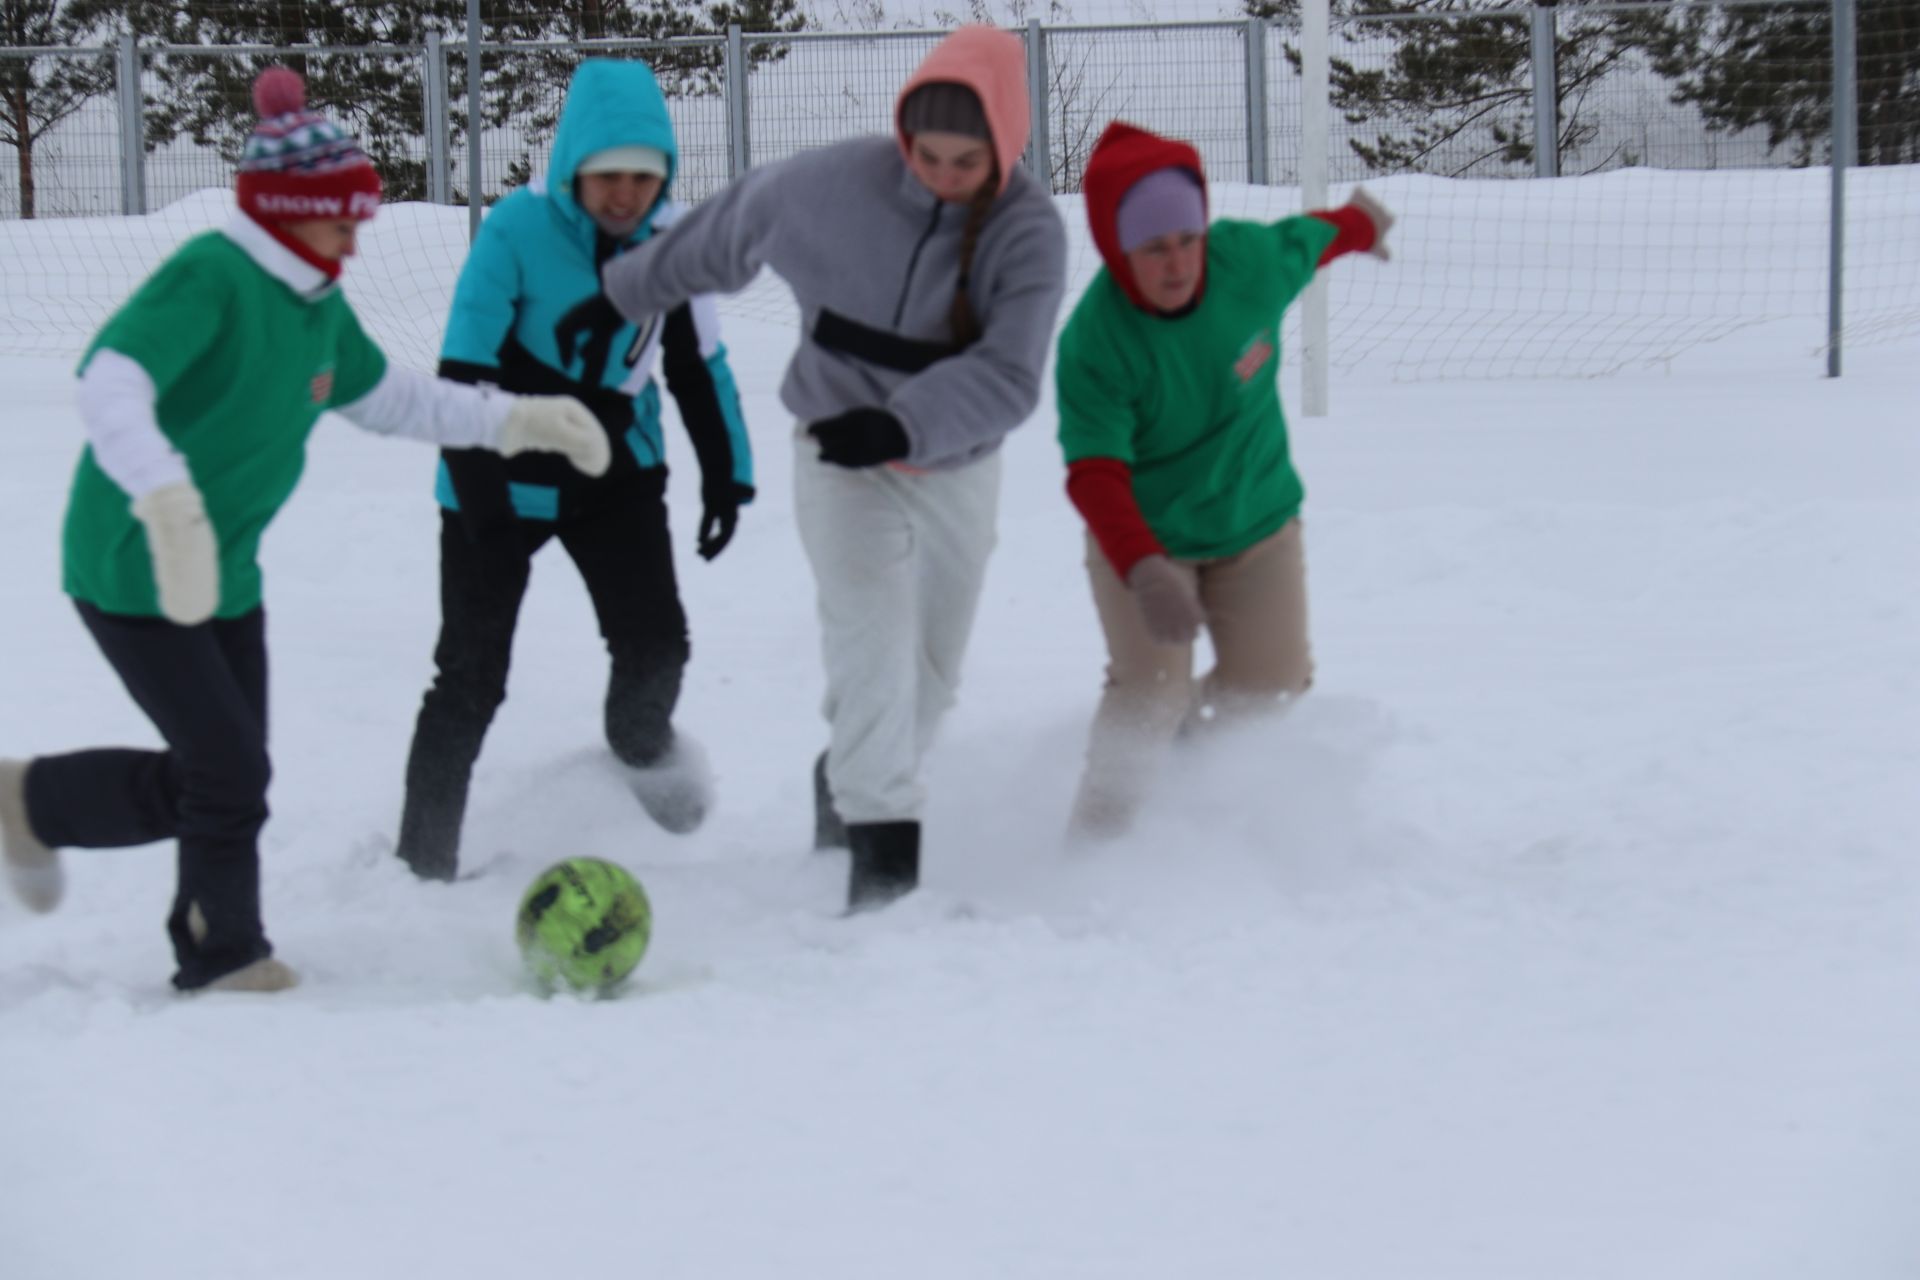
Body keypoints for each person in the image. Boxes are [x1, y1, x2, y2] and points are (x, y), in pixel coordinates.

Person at [0, 68, 608, 992]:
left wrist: (518, 420)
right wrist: (165, 499)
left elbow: (391, 398)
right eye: (341, 221)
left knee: (229, 771)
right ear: (284, 212)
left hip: (226, 571)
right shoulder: (215, 277)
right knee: (227, 770)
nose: (355, 240)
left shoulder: (316, 304)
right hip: (134, 564)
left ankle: (36, 807)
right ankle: (219, 952)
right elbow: (109, 377)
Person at [585, 26, 1068, 910]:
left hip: (956, 463)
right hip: (836, 457)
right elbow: (718, 239)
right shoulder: (831, 186)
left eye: (969, 161)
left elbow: (1009, 376)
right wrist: (616, 298)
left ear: (1006, 147)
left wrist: (900, 426)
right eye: (928, 155)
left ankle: (845, 773)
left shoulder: (1027, 230)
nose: (944, 175)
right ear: (903, 136)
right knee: (873, 651)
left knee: (928, 680)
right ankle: (880, 877)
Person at [394, 59, 754, 882]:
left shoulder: (673, 243)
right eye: (605, 177)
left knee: (657, 644)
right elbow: (464, 368)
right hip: (500, 474)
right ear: (570, 170)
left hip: (615, 477)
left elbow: (701, 367)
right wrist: (481, 499)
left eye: (641, 177)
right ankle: (422, 862)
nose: (623, 194)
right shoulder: (515, 230)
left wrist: (727, 475)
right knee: (470, 676)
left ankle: (639, 749)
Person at [1053, 121, 1394, 839]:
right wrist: (1144, 566)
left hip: (1255, 520)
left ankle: (1187, 773)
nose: (1177, 263)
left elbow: (1314, 238)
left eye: (1187, 239)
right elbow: (1094, 473)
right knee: (1148, 696)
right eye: (1153, 248)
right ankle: (1093, 850)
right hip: (1144, 540)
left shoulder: (1248, 263)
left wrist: (1362, 223)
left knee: (1267, 691)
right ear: (1119, 251)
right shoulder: (1095, 341)